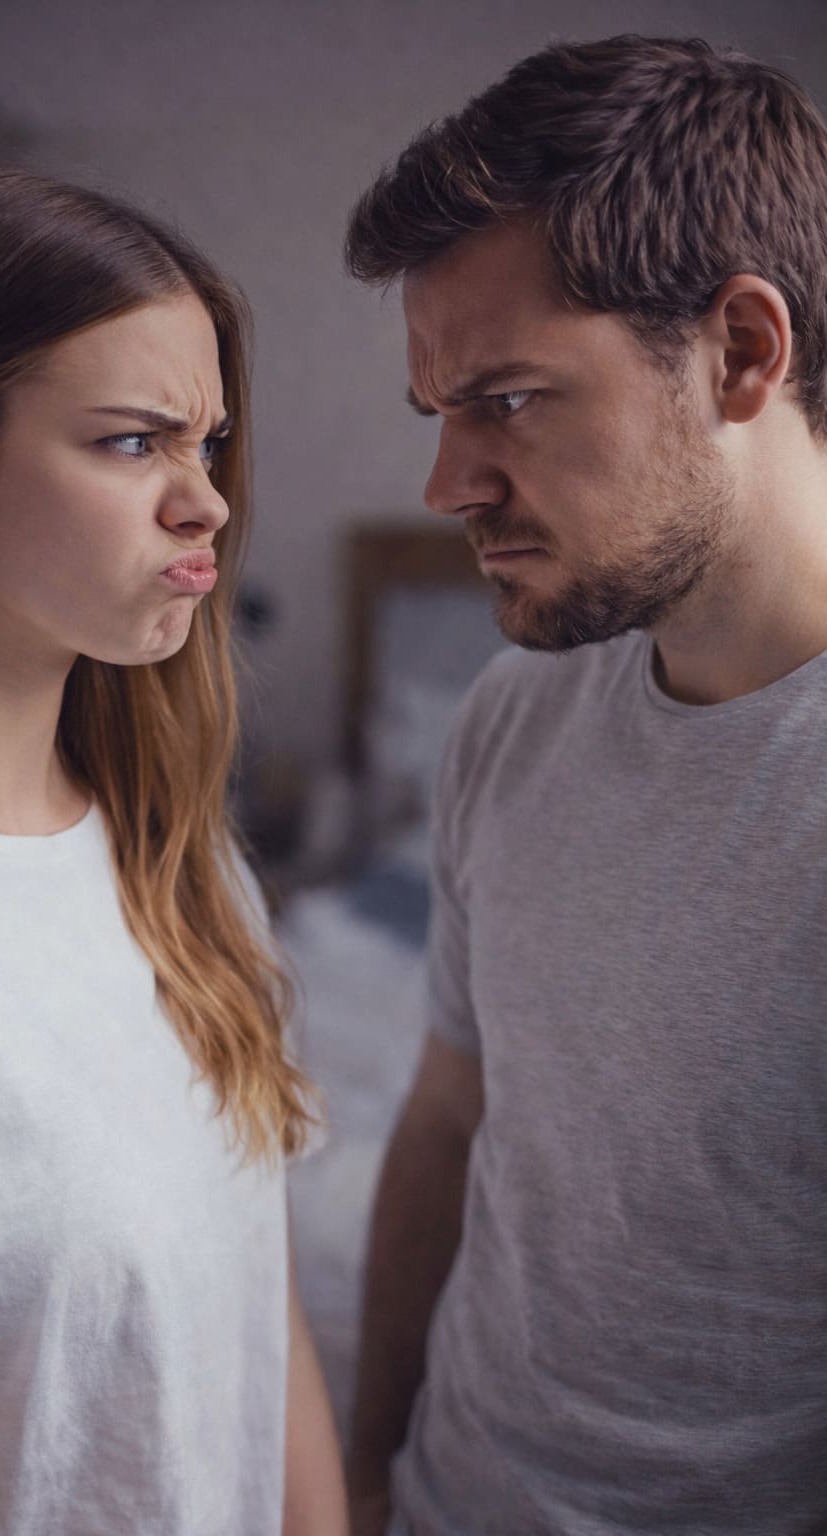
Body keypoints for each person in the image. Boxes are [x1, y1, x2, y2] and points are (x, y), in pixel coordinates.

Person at [0, 167, 347, 1536]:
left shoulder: (185, 869)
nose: (205, 502)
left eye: (208, 444)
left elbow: (264, 1332)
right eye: (132, 442)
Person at [343, 34, 827, 1536]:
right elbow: (447, 1117)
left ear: (741, 353)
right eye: (440, 413)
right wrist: (367, 1469)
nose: (449, 486)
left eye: (507, 399)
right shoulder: (512, 718)